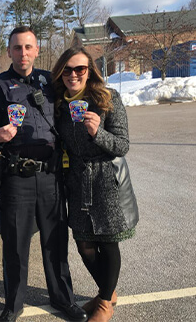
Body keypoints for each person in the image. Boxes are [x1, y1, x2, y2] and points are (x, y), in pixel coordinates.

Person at [0, 26, 87, 322]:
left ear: (37, 50)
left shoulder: (50, 81)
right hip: (17, 176)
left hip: (52, 176)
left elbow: (75, 101)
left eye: (28, 47)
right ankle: (13, 305)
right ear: (9, 51)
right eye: (17, 47)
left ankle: (63, 298)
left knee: (55, 242)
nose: (23, 53)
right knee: (15, 245)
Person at [52, 46, 138, 322]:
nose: (74, 74)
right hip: (76, 179)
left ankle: (104, 301)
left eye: (80, 69)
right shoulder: (59, 104)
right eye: (68, 69)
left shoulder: (107, 98)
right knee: (84, 244)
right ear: (60, 72)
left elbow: (122, 145)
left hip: (105, 180)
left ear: (90, 70)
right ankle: (107, 292)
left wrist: (97, 132)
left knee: (108, 242)